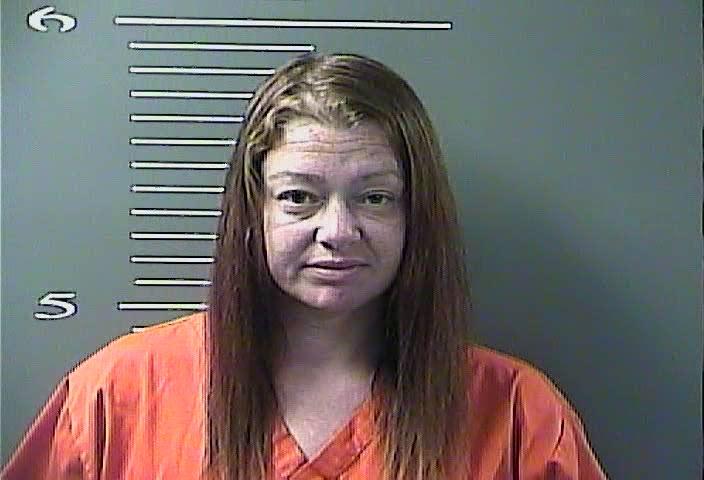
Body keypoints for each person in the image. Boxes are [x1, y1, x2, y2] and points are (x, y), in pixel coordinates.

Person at [1, 53, 608, 479]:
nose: (338, 231)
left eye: (375, 197)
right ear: (254, 210)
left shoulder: (517, 416)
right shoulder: (115, 399)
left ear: (416, 214)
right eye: (299, 196)